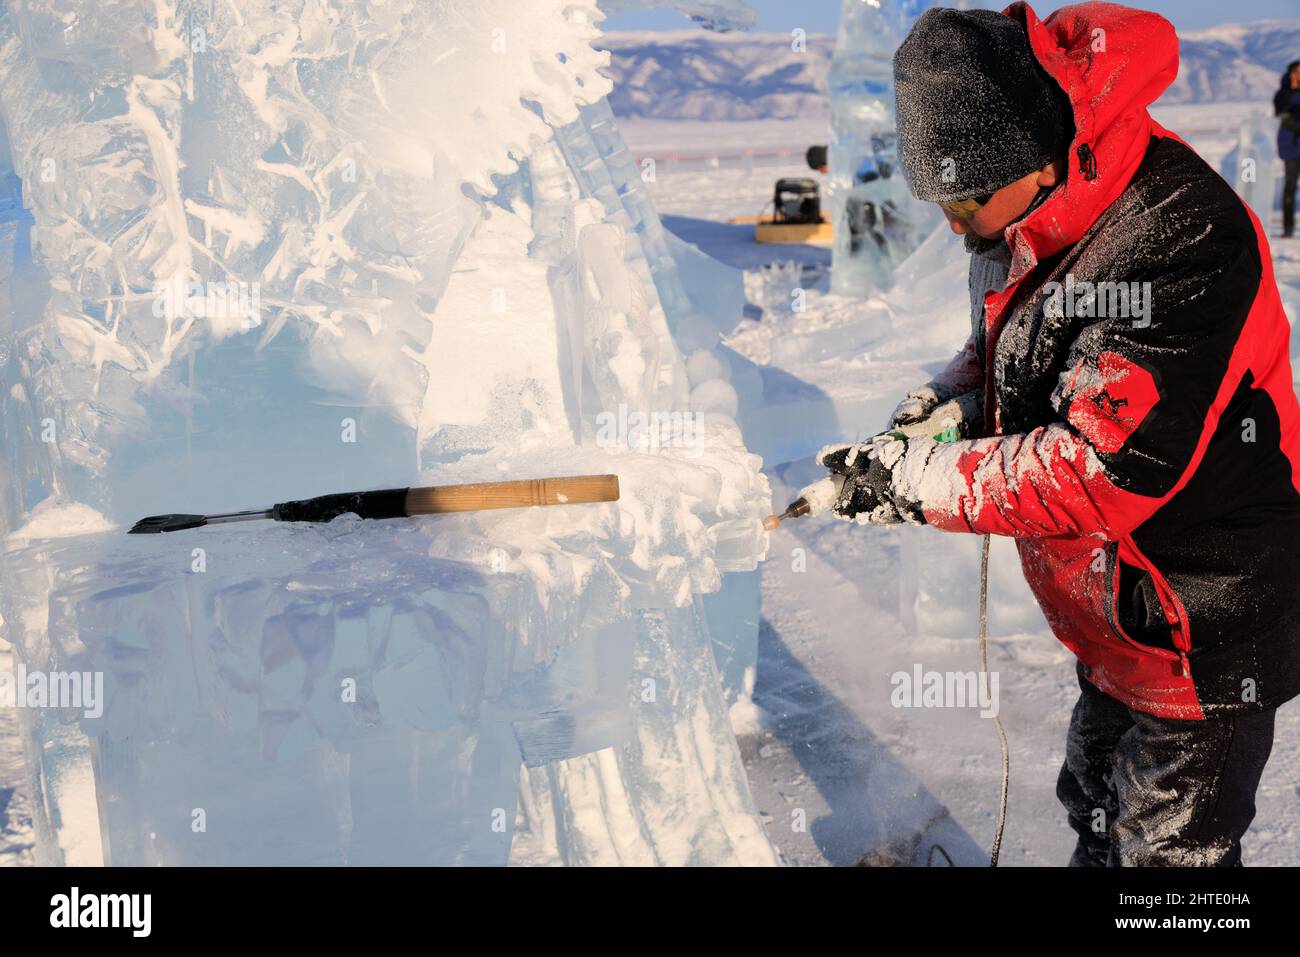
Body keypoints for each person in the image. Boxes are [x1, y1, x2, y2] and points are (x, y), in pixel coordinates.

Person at [818, 3, 1300, 866]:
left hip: (1200, 619)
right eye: (937, 198)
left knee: (1167, 863)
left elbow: (1099, 466)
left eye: (963, 198)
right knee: (1093, 809)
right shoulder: (1021, 212)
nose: (952, 222)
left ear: (1035, 156)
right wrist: (951, 404)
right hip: (1114, 616)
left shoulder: (1180, 235)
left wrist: (916, 482)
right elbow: (1012, 349)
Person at [1276, 60, 1300, 238]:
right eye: (1296, 72)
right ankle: (1288, 227)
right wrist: (1289, 88)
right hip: (1290, 146)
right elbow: (1279, 110)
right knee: (1290, 188)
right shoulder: (1283, 94)